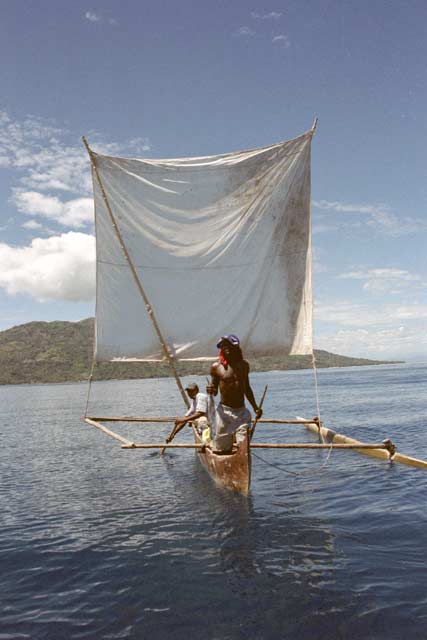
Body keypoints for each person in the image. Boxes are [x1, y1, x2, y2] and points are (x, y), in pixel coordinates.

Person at [206, 334, 262, 452]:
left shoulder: (244, 366)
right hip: (224, 414)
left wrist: (255, 407)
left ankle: (241, 454)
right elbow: (214, 391)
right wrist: (210, 390)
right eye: (223, 345)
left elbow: (247, 388)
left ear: (236, 347)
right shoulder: (216, 367)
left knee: (244, 445)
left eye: (229, 345)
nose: (225, 347)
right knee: (222, 449)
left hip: (241, 413)